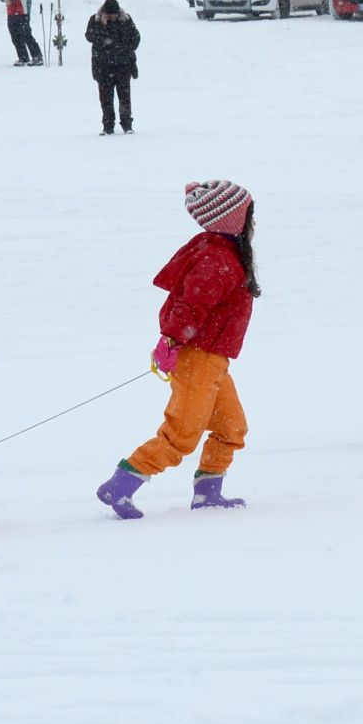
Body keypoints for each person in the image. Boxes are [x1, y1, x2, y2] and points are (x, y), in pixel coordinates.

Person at [95, 181, 260, 519]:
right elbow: (190, 305)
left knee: (231, 428)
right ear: (233, 220)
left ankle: (208, 494)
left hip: (213, 360)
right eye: (249, 215)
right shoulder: (217, 259)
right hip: (198, 357)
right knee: (181, 435)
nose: (254, 222)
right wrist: (171, 341)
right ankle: (121, 484)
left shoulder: (222, 252)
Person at [86, 0, 140, 134]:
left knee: (125, 98)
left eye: (114, 14)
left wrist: (125, 49)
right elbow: (89, 37)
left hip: (123, 67)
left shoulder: (126, 20)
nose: (112, 17)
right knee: (105, 99)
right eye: (110, 14)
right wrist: (101, 28)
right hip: (103, 67)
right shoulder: (96, 20)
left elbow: (136, 37)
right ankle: (108, 126)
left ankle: (127, 125)